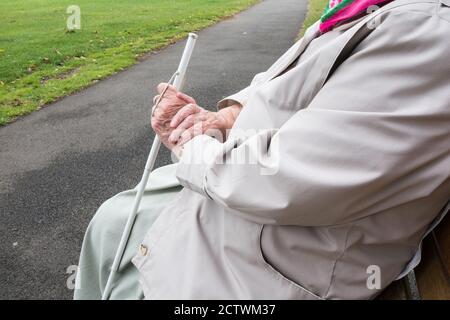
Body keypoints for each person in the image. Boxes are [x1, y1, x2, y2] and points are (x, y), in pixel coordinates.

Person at [74, 0, 450, 299]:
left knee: (116, 228)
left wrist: (194, 145)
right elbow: (293, 84)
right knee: (115, 220)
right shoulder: (377, 10)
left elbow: (282, 178)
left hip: (261, 271)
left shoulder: (428, 32)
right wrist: (222, 120)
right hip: (249, 226)